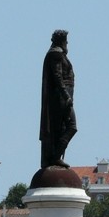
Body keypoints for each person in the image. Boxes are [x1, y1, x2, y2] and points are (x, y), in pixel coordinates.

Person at [39, 29, 77, 168]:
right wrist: (66, 95)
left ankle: (56, 156)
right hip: (61, 97)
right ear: (61, 41)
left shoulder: (58, 54)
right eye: (65, 41)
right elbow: (57, 76)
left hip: (64, 95)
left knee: (62, 127)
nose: (67, 43)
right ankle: (55, 156)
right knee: (71, 126)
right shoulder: (56, 54)